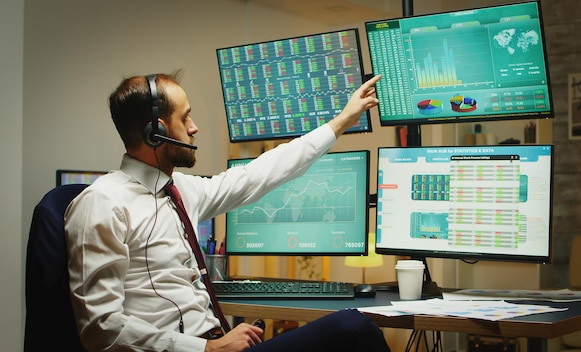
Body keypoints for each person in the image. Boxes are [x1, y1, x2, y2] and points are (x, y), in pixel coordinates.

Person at [64, 71, 388, 352]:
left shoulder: (181, 191)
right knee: (352, 328)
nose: (194, 128)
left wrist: (343, 119)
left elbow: (260, 173)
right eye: (185, 117)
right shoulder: (102, 203)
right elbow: (100, 329)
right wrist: (206, 347)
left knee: (351, 331)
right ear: (156, 131)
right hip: (197, 348)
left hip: (217, 341)